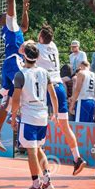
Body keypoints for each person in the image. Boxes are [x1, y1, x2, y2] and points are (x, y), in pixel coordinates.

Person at [35, 24, 86, 174]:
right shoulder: (54, 46)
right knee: (65, 127)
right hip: (60, 88)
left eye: (39, 34)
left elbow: (23, 49)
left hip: (48, 88)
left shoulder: (38, 48)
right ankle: (77, 158)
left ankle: (40, 154)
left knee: (38, 121)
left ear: (41, 37)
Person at [0, 0, 30, 152]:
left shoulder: (10, 29)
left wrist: (25, 10)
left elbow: (25, 27)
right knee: (26, 90)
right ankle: (19, 124)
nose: (9, 13)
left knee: (7, 99)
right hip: (14, 63)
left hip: (9, 63)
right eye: (7, 14)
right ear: (3, 19)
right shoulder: (9, 24)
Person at [10, 42, 59, 189]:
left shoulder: (21, 74)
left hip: (29, 116)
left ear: (24, 55)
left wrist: (12, 116)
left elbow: (16, 99)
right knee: (38, 149)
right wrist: (55, 113)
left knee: (31, 151)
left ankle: (36, 186)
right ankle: (47, 181)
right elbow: (53, 95)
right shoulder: (45, 72)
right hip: (43, 115)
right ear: (37, 57)